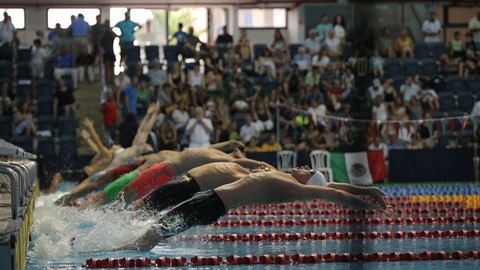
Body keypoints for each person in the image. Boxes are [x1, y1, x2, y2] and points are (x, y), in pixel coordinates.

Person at [118, 166, 390, 251]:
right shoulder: (284, 178)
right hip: (208, 203)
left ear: (307, 181)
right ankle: (119, 248)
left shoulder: (295, 188)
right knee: (155, 232)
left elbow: (330, 192)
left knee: (153, 235)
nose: (305, 167)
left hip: (209, 205)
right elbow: (332, 183)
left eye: (309, 170)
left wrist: (366, 207)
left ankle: (112, 251)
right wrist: (366, 190)